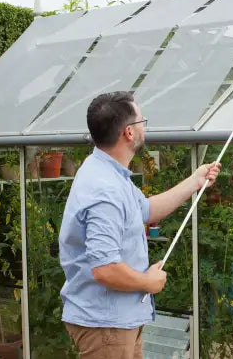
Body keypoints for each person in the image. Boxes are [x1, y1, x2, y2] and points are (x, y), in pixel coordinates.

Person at [59, 91, 221, 359]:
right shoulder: (104, 190)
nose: (145, 125)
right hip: (106, 326)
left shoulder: (108, 173)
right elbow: (105, 269)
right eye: (141, 120)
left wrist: (195, 181)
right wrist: (147, 282)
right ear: (129, 133)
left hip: (114, 323)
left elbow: (144, 210)